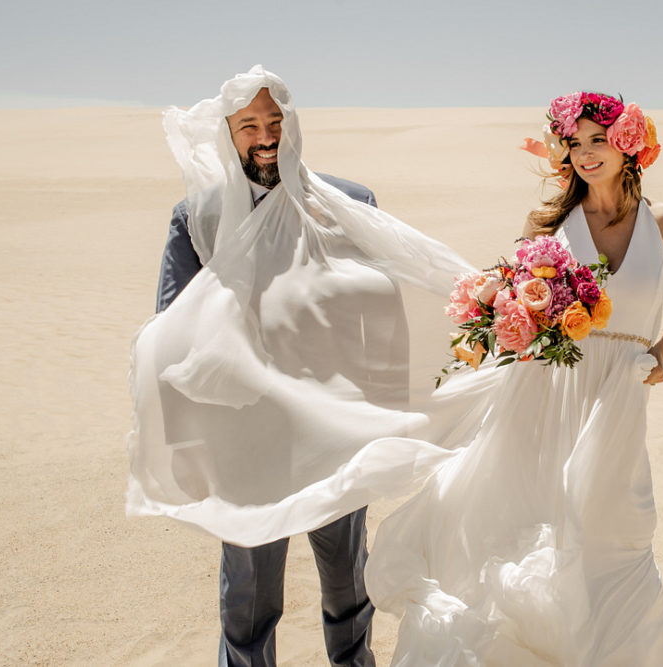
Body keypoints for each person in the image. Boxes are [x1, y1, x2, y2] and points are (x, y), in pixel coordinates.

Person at [126, 66, 472, 666]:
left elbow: (392, 300)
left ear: (292, 126)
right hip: (247, 439)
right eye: (248, 126)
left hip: (335, 429)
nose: (264, 137)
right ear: (228, 134)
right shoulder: (199, 217)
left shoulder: (347, 203)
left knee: (347, 585)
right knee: (249, 596)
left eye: (274, 122)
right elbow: (171, 326)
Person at [364, 91, 663, 665]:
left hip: (619, 394)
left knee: (616, 529)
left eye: (599, 140)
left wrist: (662, 352)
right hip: (546, 393)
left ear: (628, 145)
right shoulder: (550, 224)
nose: (586, 154)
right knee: (532, 518)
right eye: (575, 143)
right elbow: (514, 301)